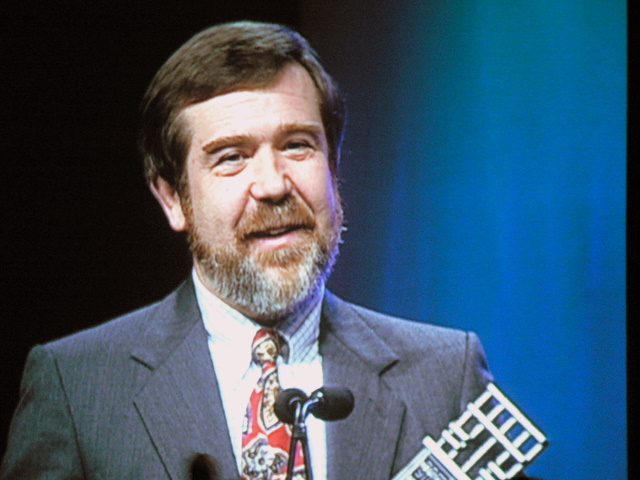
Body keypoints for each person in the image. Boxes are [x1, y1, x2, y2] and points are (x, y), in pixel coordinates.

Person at [0, 21, 493, 480]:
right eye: (232, 157)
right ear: (172, 197)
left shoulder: (446, 377)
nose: (273, 185)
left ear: (334, 166)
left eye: (297, 145)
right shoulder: (77, 387)